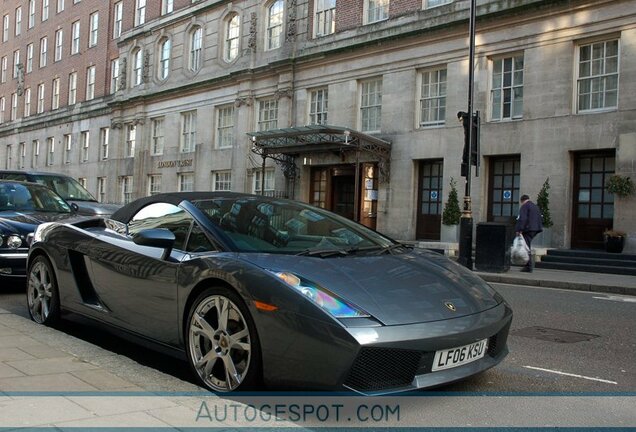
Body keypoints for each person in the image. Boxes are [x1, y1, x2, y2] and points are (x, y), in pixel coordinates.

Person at [515, 194, 543, 272]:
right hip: (536, 229)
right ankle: (528, 265)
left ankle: (528, 266)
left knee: (526, 247)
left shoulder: (524, 206)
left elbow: (523, 219)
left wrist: (519, 229)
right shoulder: (535, 206)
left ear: (522, 201)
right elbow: (540, 217)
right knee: (527, 246)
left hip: (528, 229)